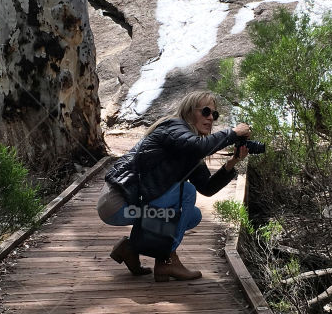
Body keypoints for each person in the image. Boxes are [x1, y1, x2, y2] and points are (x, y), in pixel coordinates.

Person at [97, 91, 251, 282]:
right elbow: (196, 147)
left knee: (193, 216)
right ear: (188, 111)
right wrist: (232, 133)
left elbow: (207, 188)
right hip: (117, 203)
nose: (211, 117)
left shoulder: (189, 147)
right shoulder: (174, 127)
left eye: (214, 114)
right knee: (187, 191)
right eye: (205, 111)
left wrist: (233, 161)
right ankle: (166, 260)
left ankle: (130, 248)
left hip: (135, 207)